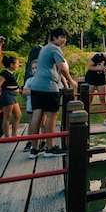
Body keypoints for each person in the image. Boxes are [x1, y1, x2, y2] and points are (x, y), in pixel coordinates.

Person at [27, 27, 78, 158]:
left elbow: (55, 69)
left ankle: (34, 149)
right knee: (51, 116)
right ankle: (50, 148)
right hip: (48, 87)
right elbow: (62, 67)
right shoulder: (55, 48)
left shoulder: (45, 48)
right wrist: (71, 81)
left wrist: (65, 82)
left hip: (36, 87)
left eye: (65, 38)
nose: (64, 40)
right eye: (61, 37)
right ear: (54, 37)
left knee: (36, 116)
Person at [0, 55, 23, 137]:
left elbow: (5, 86)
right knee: (7, 116)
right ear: (11, 65)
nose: (18, 65)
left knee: (18, 115)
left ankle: (14, 134)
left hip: (13, 97)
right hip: (8, 96)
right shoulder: (5, 73)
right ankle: (7, 136)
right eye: (17, 64)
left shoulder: (10, 73)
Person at [84, 50, 106, 126]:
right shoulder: (98, 56)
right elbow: (89, 67)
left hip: (101, 79)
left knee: (103, 98)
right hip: (91, 78)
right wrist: (100, 68)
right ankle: (86, 119)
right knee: (89, 98)